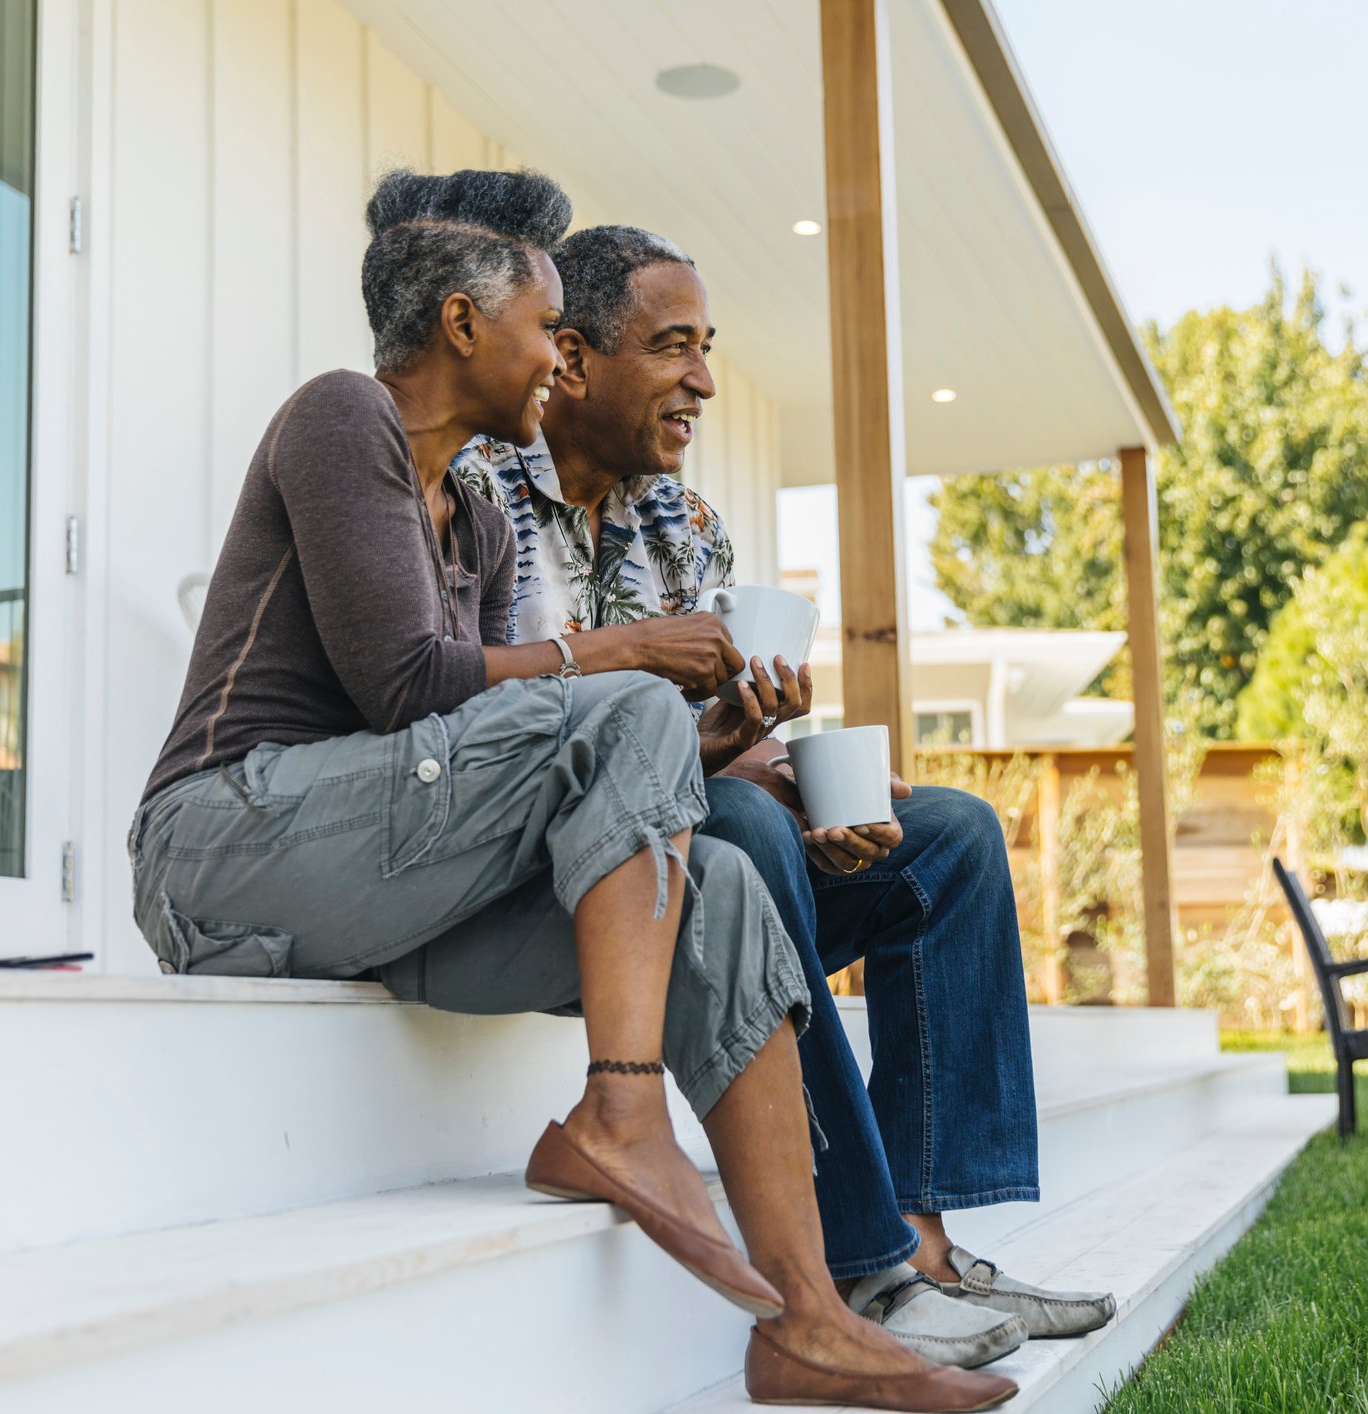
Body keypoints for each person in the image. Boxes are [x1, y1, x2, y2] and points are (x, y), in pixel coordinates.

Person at [130, 169, 1014, 1412]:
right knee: (635, 701)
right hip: (223, 847)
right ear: (459, 325)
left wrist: (703, 736)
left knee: (714, 893)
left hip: (386, 885)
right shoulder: (343, 419)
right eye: (549, 328)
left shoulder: (479, 530)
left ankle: (810, 1318)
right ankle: (620, 1110)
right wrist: (639, 654)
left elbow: (521, 740)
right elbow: (406, 685)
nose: (560, 358)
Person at [452, 224, 1117, 1371]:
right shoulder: (477, 495)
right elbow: (488, 734)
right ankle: (857, 1260)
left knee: (948, 836)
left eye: (707, 349)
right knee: (750, 827)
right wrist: (738, 776)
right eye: (673, 348)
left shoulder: (687, 523)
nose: (703, 381)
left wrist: (795, 771)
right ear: (572, 357)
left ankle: (925, 1240)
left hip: (707, 838)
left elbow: (716, 749)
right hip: (573, 880)